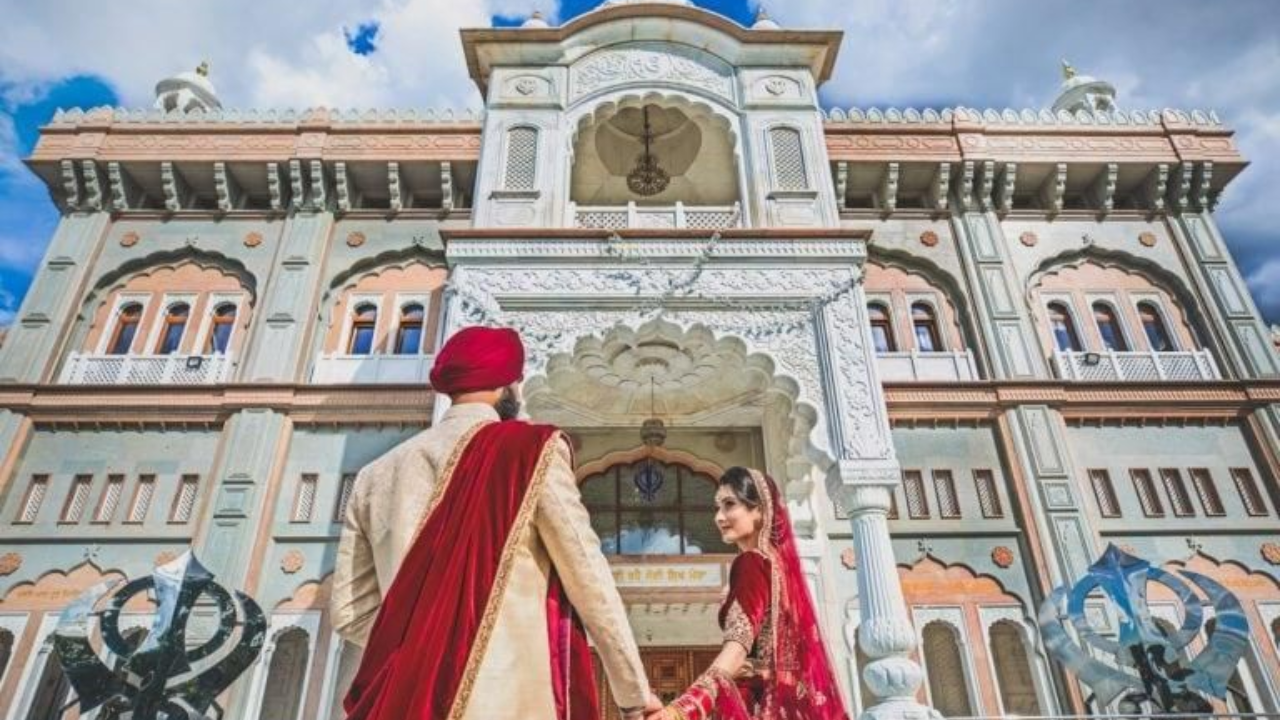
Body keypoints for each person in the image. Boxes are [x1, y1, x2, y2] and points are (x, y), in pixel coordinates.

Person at [331, 326, 661, 720]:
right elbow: (588, 578)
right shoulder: (529, 452)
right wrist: (634, 694)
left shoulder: (374, 476)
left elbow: (350, 611)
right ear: (508, 384)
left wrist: (423, 653)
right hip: (512, 703)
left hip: (404, 703)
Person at [649, 467, 850, 720]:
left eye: (730, 505)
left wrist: (684, 709)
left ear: (760, 511)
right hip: (792, 704)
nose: (719, 517)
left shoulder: (752, 563)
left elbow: (737, 648)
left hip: (758, 703)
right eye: (717, 507)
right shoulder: (780, 568)